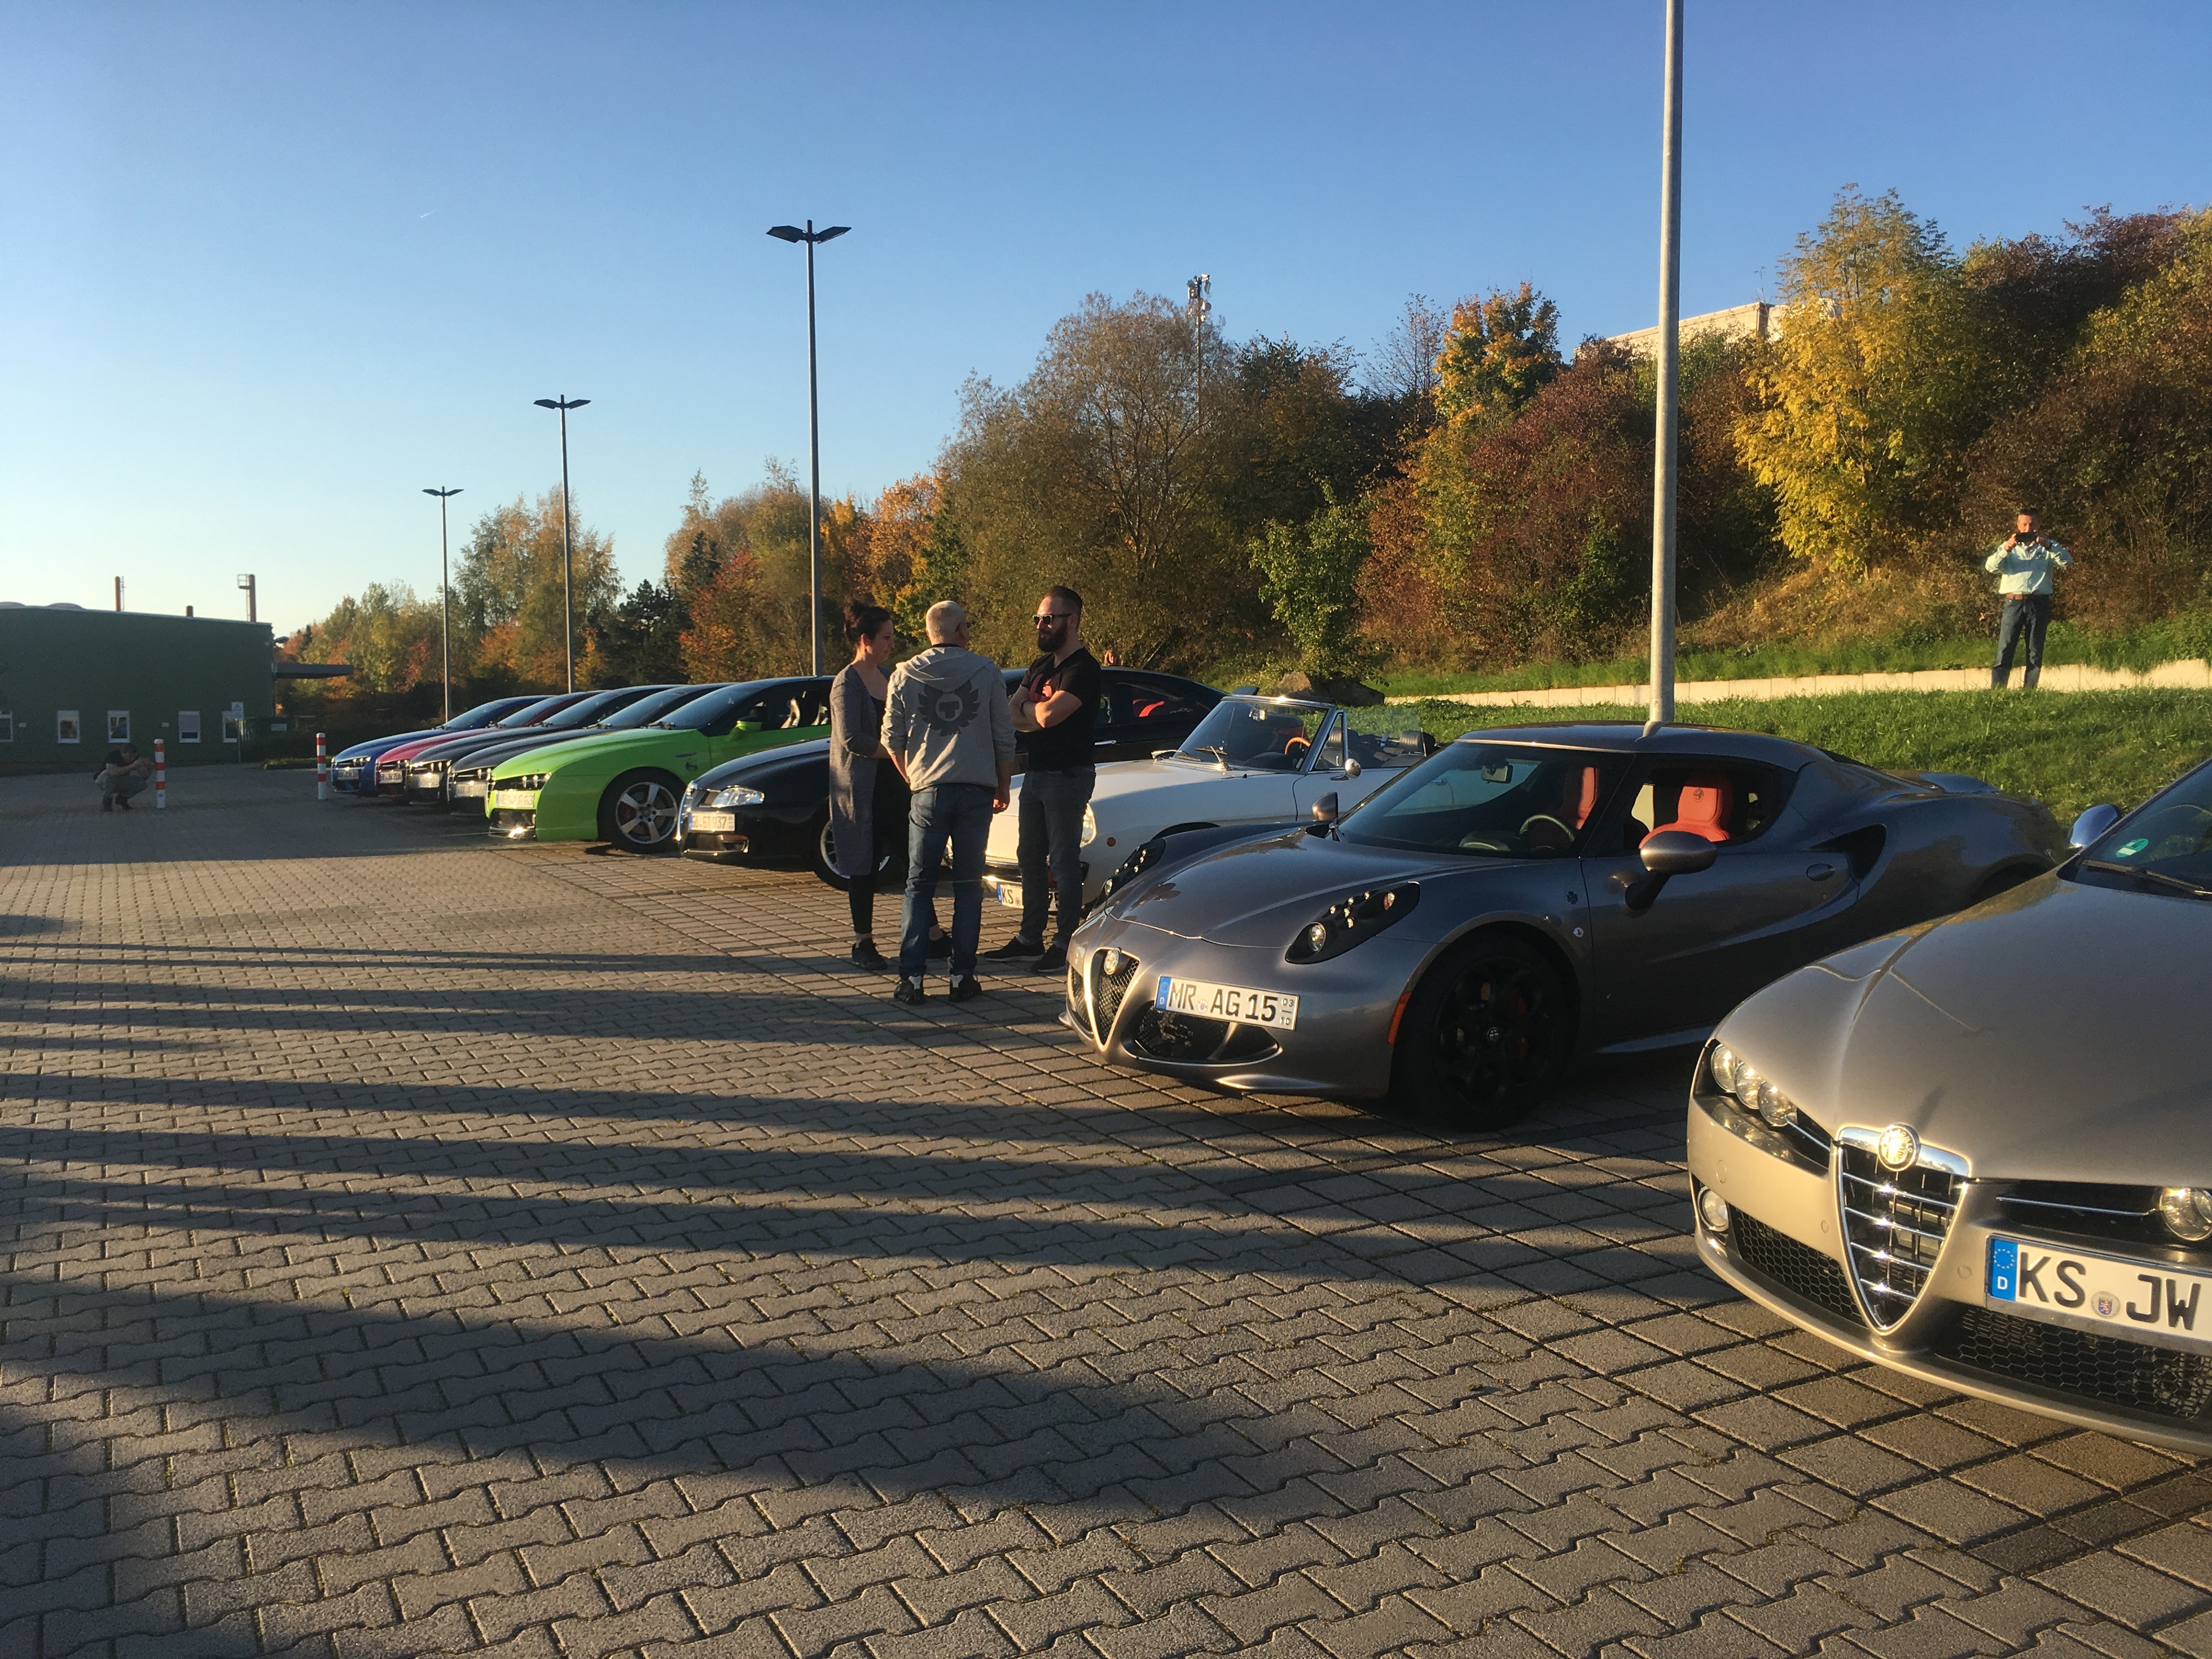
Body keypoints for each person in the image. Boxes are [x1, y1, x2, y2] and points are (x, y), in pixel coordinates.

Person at [881, 600, 1014, 1005]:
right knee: (968, 887)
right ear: (959, 631)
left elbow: (891, 739)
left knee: (919, 886)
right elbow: (1003, 735)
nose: (969, 632)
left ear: (928, 633)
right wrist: (1003, 786)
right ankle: (962, 978)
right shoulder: (987, 672)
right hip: (975, 791)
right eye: (967, 626)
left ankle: (912, 980)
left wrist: (912, 777)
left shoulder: (904, 674)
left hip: (928, 792)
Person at [826, 601, 948, 971]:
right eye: (886, 638)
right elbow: (853, 740)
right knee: (864, 867)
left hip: (897, 787)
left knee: (915, 861)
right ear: (865, 640)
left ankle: (933, 936)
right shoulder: (846, 683)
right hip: (862, 792)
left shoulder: (891, 676)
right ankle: (863, 942)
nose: (892, 644)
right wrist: (897, 753)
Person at [986, 586, 1102, 976]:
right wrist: (1035, 710)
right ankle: (1029, 938)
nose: (1041, 625)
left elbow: (1051, 717)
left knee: (1063, 861)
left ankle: (1065, 942)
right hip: (1036, 773)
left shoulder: (1083, 669)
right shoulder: (1040, 666)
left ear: (1072, 621)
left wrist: (1032, 711)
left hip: (1068, 775)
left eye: (1049, 619)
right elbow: (1010, 713)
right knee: (1029, 857)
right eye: (1038, 618)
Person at [1986, 509, 2073, 689]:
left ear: (2039, 525)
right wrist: (2007, 549)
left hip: (2038, 603)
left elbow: (2067, 562)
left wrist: (2048, 546)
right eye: (2024, 524)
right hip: (2013, 602)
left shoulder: (2048, 547)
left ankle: (2030, 690)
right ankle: (1998, 691)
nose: (2028, 528)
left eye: (2032, 524)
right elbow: (1991, 568)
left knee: (2035, 649)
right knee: (2006, 647)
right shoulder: (2008, 547)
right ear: (2018, 526)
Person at [97, 744, 153, 811]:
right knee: (109, 774)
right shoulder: (113, 756)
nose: (132, 759)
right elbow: (113, 772)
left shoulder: (135, 759)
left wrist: (148, 767)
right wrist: (133, 766)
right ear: (123, 754)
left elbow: (144, 776)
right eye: (129, 756)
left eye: (133, 757)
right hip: (103, 780)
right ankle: (107, 799)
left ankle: (122, 799)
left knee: (142, 784)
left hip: (120, 780)